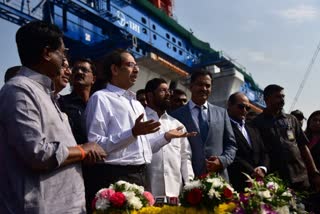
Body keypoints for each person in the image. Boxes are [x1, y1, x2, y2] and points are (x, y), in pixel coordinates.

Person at [0, 21, 106, 214]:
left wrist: (79, 156)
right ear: (47, 53)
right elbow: (37, 153)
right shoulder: (19, 91)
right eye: (62, 53)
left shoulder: (48, 95)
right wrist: (82, 151)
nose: (65, 60)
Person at [85, 49, 162, 207]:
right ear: (114, 69)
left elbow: (144, 145)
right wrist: (132, 133)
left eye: (137, 65)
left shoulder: (137, 104)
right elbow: (95, 145)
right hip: (116, 176)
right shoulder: (101, 98)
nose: (137, 69)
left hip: (141, 175)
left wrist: (167, 137)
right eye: (130, 65)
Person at [171, 69, 237, 180]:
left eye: (208, 85)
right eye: (200, 84)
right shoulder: (176, 116)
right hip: (188, 181)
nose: (204, 89)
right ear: (191, 86)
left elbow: (231, 145)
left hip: (218, 180)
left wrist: (221, 161)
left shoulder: (222, 113)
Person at [253, 84, 320, 191]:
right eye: (278, 97)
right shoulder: (257, 123)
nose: (282, 100)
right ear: (266, 99)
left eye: (283, 97)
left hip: (300, 177)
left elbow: (303, 147)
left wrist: (314, 171)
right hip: (276, 180)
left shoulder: (292, 120)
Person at [145, 78, 195, 197]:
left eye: (169, 91)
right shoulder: (140, 121)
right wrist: (165, 137)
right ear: (150, 95)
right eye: (163, 90)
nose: (168, 94)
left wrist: (190, 184)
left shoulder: (177, 125)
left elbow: (185, 157)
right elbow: (139, 150)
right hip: (148, 192)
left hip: (175, 193)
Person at [227, 92, 269, 191]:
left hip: (257, 185)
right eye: (241, 107)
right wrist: (252, 171)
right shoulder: (223, 126)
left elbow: (264, 152)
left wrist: (262, 168)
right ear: (229, 105)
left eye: (248, 108)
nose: (245, 111)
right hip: (235, 184)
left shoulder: (252, 128)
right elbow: (230, 153)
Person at [59, 58, 96, 145]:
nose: (79, 72)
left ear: (93, 79)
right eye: (75, 70)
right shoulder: (61, 102)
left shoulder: (98, 103)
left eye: (84, 70)